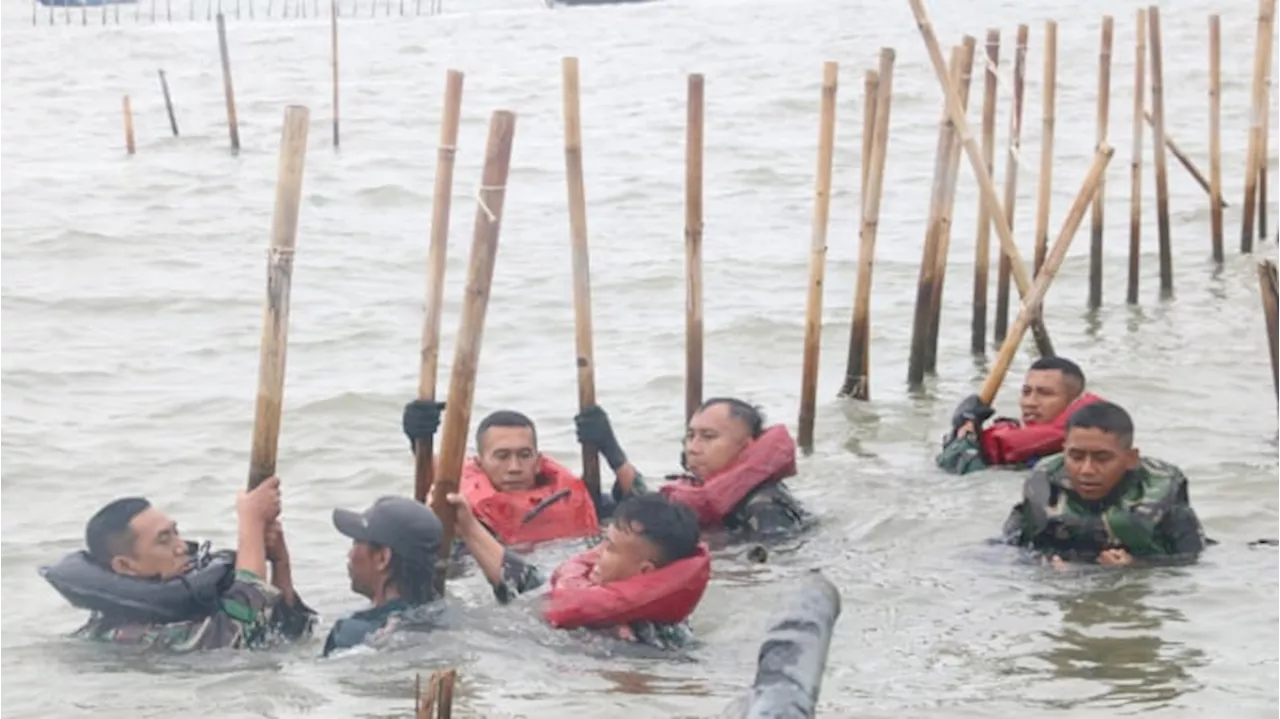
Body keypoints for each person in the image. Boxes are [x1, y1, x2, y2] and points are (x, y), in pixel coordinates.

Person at [40, 477, 315, 651]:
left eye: (175, 532)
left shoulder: (188, 600)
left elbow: (290, 634)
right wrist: (251, 522)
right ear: (125, 566)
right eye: (163, 540)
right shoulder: (126, 634)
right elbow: (241, 630)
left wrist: (280, 563)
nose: (181, 546)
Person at [447, 491, 711, 650]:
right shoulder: (600, 599)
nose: (595, 556)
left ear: (644, 571)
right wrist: (469, 527)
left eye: (610, 548)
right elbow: (529, 586)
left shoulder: (642, 639)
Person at [402, 400, 643, 546]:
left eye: (524, 455)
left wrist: (610, 448)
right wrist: (418, 440)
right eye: (502, 456)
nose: (515, 467)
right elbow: (433, 497)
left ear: (538, 462)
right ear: (480, 464)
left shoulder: (576, 498)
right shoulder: (465, 513)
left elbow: (646, 511)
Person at [1003, 401, 1208, 566]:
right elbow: (1009, 549)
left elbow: (1192, 561)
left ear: (1131, 458)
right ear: (1064, 451)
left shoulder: (1163, 496)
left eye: (1102, 458)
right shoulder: (1043, 486)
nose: (1087, 470)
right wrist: (1040, 565)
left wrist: (1136, 566)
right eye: (1076, 457)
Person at [324, 495, 459, 656]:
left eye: (356, 542)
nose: (349, 554)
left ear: (382, 558)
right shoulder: (450, 617)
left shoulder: (350, 634)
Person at [658, 397, 811, 538]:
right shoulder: (694, 488)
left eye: (709, 436)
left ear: (745, 446)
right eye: (691, 436)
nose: (693, 448)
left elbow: (778, 562)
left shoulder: (765, 508)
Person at [936, 356, 1103, 475]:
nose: (1030, 402)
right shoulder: (1020, 438)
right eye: (1026, 392)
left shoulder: (1077, 451)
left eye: (1045, 394)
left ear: (1073, 401)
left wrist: (967, 438)